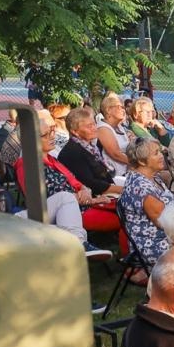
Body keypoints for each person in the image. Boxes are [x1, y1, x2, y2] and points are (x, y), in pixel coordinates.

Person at [17, 110, 118, 257]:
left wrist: (85, 190)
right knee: (121, 216)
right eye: (45, 135)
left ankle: (82, 245)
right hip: (63, 211)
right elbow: (49, 198)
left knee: (123, 210)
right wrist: (93, 198)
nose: (53, 136)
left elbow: (80, 184)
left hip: (80, 206)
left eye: (51, 131)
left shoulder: (52, 160)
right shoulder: (29, 165)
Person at [117, 138, 174, 267]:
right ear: (142, 161)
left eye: (159, 151)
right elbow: (164, 222)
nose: (161, 156)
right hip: (154, 244)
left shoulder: (152, 178)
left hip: (167, 235)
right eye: (156, 153)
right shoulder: (141, 187)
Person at [57, 106, 125, 198]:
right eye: (89, 126)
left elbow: (103, 174)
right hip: (92, 198)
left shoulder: (90, 146)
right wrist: (122, 189)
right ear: (75, 132)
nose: (94, 128)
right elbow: (90, 183)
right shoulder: (73, 152)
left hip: (105, 191)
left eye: (94, 124)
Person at [93, 94, 132, 178]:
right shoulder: (103, 128)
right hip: (115, 175)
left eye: (123, 107)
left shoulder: (119, 126)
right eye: (119, 107)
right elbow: (115, 154)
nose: (123, 110)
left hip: (128, 170)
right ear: (108, 110)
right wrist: (138, 163)